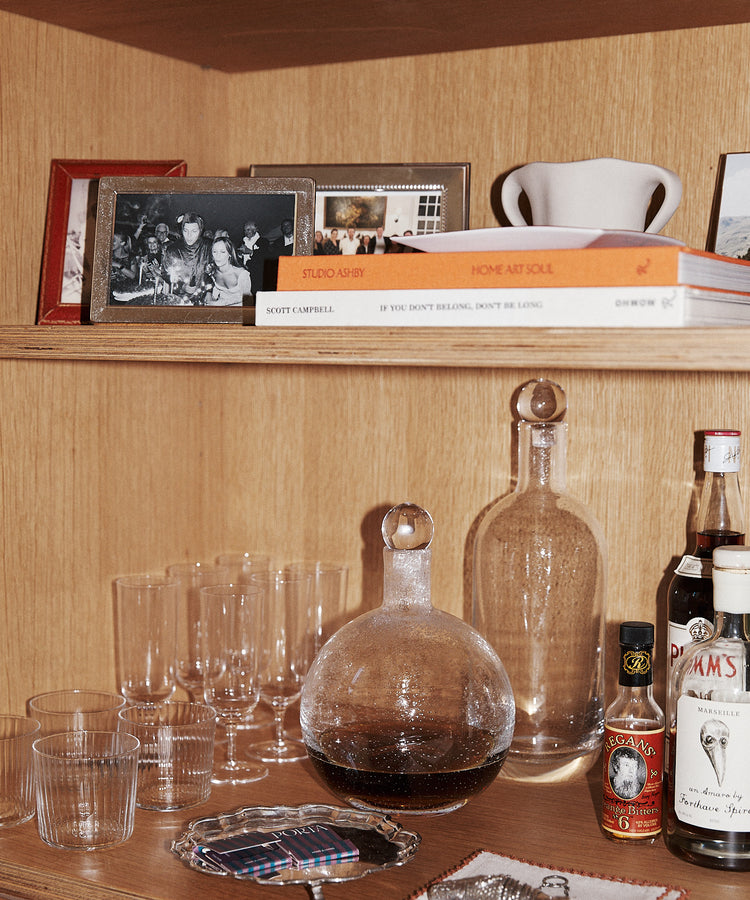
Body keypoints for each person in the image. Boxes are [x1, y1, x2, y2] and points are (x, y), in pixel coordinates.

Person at [160, 212, 212, 304]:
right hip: (179, 299)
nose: (189, 235)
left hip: (204, 298)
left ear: (200, 230)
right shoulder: (173, 249)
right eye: (186, 230)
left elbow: (216, 271)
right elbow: (165, 273)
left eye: (194, 231)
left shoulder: (209, 247)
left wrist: (209, 292)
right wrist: (182, 286)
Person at [206, 236, 252, 306]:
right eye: (215, 252)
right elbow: (216, 290)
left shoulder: (241, 274)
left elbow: (247, 297)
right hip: (222, 310)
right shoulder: (212, 271)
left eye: (222, 252)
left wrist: (222, 303)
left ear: (230, 254)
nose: (218, 256)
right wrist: (210, 300)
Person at [237, 220, 270, 289]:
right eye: (245, 230)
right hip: (244, 272)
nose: (246, 232)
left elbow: (264, 256)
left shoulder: (263, 241)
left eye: (248, 230)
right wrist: (239, 254)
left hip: (257, 274)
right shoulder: (243, 241)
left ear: (255, 230)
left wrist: (250, 252)